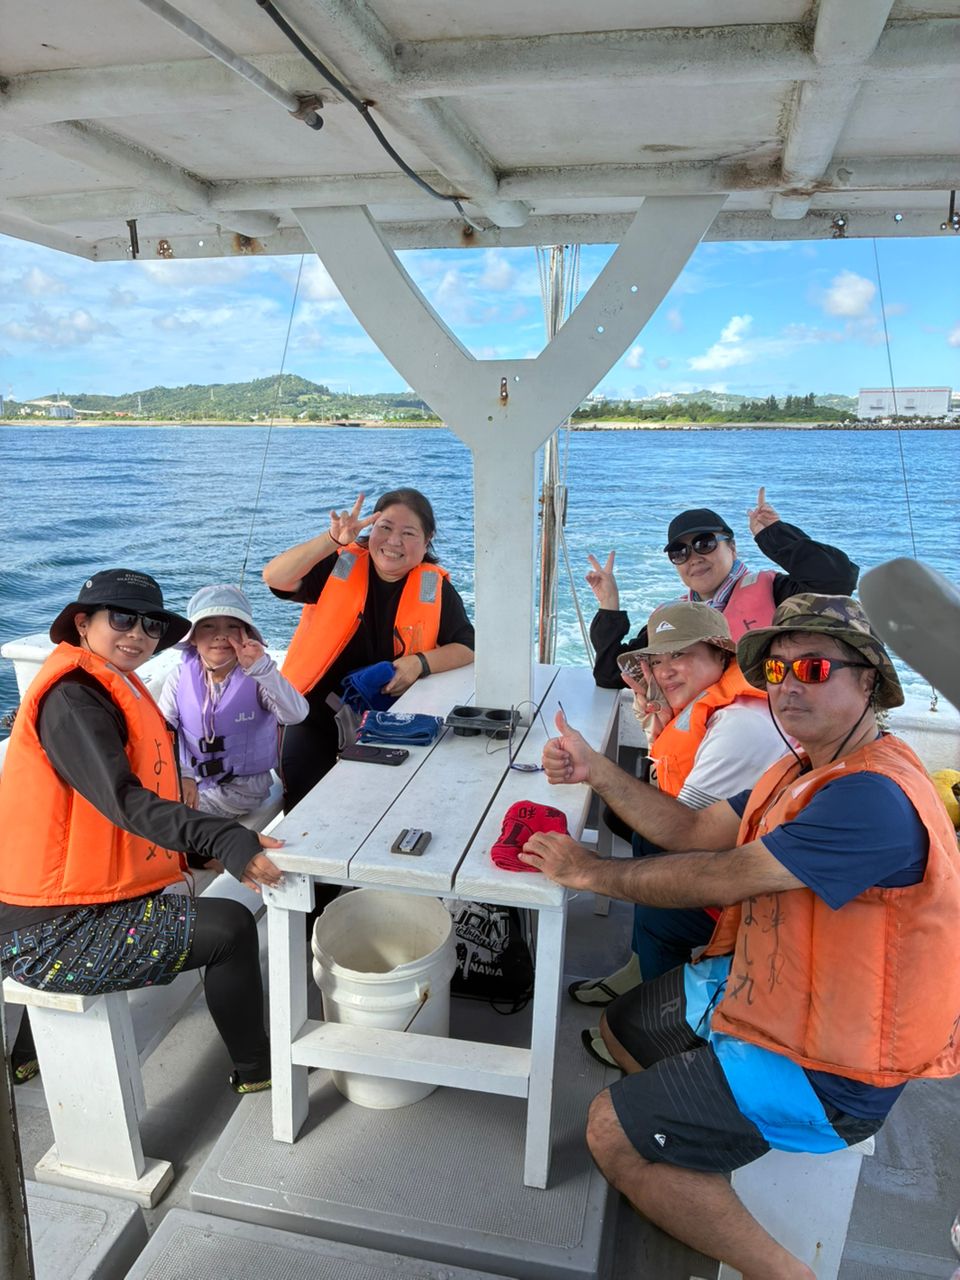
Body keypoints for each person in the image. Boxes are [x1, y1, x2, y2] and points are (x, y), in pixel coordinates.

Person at [520, 595, 960, 1280]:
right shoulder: (801, 768)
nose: (788, 686)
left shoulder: (871, 799)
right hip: (780, 994)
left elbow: (723, 878)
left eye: (813, 668)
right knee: (624, 1027)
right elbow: (693, 832)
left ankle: (784, 1273)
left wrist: (589, 871)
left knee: (609, 1131)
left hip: (836, 1067)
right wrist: (594, 769)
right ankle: (695, 1154)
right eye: (777, 672)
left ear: (868, 680)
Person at [0, 570, 284, 1095]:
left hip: (78, 897)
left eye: (152, 624)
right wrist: (223, 838)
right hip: (46, 933)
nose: (139, 634)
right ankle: (257, 1071)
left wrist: (198, 854)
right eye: (123, 618)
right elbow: (124, 801)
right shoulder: (72, 701)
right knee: (230, 929)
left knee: (192, 891)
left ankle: (25, 1057)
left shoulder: (106, 679)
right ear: (83, 623)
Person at [568, 602, 789, 1059]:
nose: (665, 671)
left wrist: (597, 770)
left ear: (721, 655)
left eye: (680, 655)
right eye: (658, 658)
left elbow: (680, 832)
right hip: (738, 847)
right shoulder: (707, 710)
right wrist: (660, 729)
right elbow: (670, 797)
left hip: (766, 897)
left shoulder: (740, 726)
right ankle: (638, 967)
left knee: (659, 899)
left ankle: (658, 1028)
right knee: (629, 827)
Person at [263, 488, 475, 811]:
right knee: (304, 807)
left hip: (390, 724)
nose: (393, 542)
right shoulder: (339, 564)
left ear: (427, 539)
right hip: (312, 715)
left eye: (408, 533)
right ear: (370, 529)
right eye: (385, 528)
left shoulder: (434, 588)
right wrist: (332, 540)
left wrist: (420, 662)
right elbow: (275, 577)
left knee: (377, 812)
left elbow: (468, 646)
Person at [587, 487, 859, 688]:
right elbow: (612, 674)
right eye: (679, 553)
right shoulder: (676, 619)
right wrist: (609, 604)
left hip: (776, 737)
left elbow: (837, 580)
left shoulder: (777, 592)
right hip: (707, 744)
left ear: (732, 547)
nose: (694, 558)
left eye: (704, 544)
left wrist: (774, 534)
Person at [158, 584, 308, 818]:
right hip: (190, 780)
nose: (220, 635)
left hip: (242, 791)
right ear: (193, 638)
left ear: (247, 634)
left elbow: (297, 713)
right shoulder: (179, 676)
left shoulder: (259, 677)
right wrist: (183, 773)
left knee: (166, 820)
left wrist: (263, 669)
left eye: (232, 626)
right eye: (208, 626)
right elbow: (163, 729)